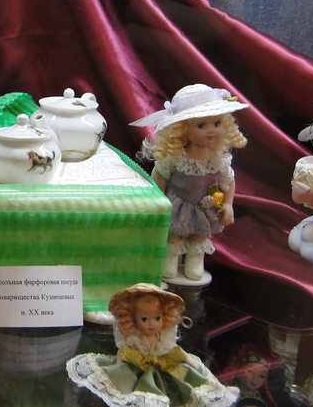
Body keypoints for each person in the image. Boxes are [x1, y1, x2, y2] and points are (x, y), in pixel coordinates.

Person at [130, 84, 249, 282]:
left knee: (199, 234)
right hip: (177, 205)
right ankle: (171, 258)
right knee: (174, 234)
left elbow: (228, 181)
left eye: (217, 123)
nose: (211, 131)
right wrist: (157, 201)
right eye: (201, 126)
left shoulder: (218, 159)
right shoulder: (177, 157)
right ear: (182, 129)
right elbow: (159, 176)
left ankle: (195, 258)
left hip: (205, 206)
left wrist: (228, 204)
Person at [67, 283, 239, 407]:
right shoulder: (134, 340)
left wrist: (189, 361)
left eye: (157, 318)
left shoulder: (164, 339)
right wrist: (119, 365)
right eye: (144, 319)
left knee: (184, 391)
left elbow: (175, 351)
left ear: (165, 317)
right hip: (137, 369)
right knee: (129, 393)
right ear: (132, 319)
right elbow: (124, 353)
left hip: (167, 368)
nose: (152, 323)